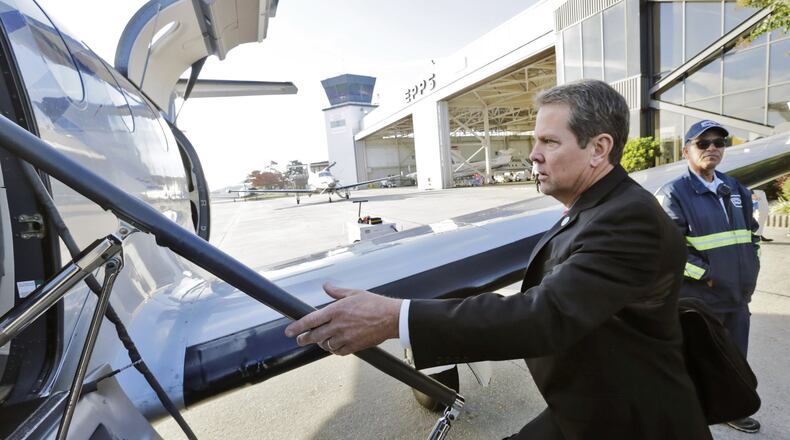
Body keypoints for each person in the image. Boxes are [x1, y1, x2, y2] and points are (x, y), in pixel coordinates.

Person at [285, 80, 711, 439]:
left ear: (599, 148)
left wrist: (395, 318)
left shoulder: (628, 218)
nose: (533, 154)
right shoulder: (602, 206)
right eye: (535, 140)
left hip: (633, 420)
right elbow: (561, 292)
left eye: (548, 141)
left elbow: (544, 316)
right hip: (593, 403)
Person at [656, 120, 761, 434]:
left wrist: (751, 267)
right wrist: (710, 275)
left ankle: (731, 407)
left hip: (738, 296)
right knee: (696, 358)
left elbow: (752, 235)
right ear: (687, 150)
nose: (712, 148)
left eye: (719, 142)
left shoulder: (736, 188)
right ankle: (687, 417)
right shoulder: (674, 194)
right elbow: (669, 251)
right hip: (701, 298)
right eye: (703, 143)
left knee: (734, 358)